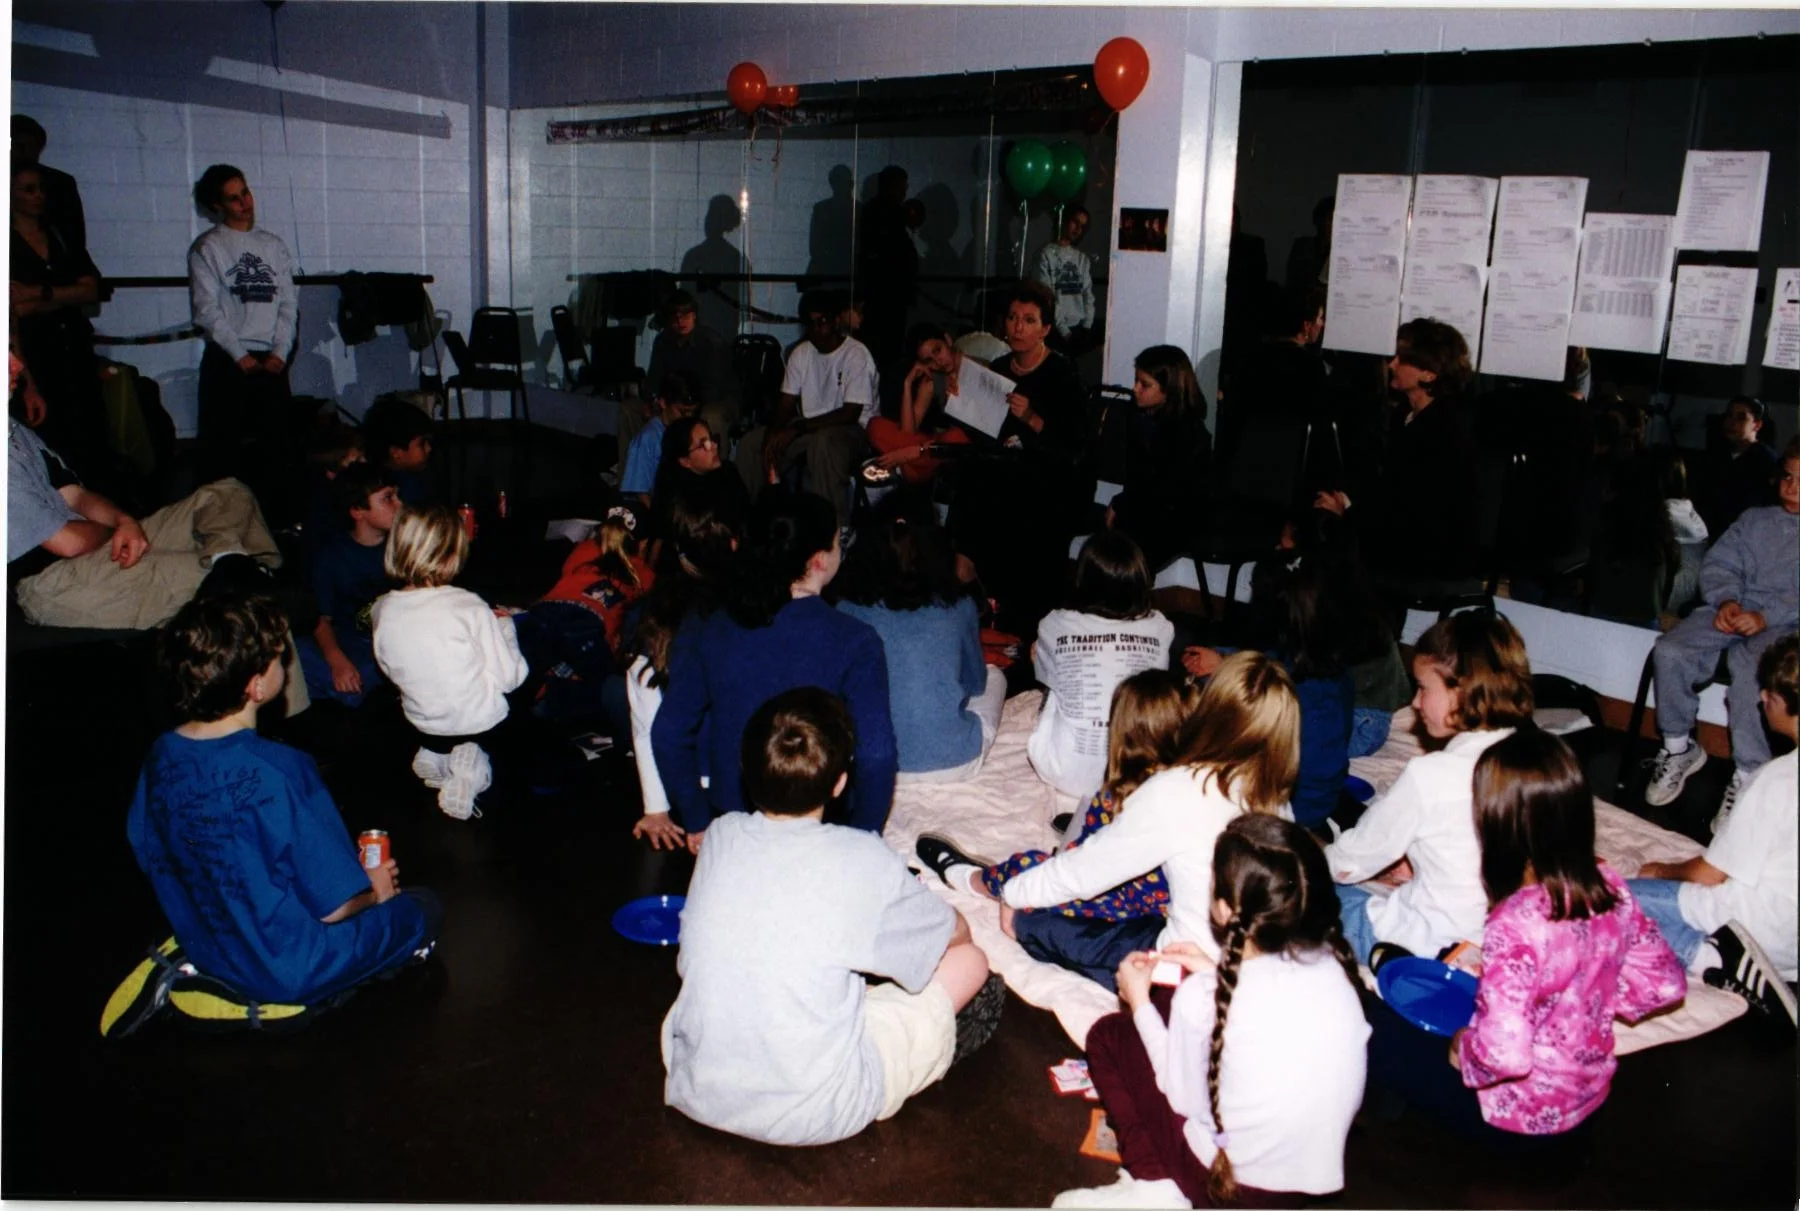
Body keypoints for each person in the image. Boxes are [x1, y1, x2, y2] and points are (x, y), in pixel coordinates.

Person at [661, 687, 994, 1146]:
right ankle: (934, 1042)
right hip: (817, 1109)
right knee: (971, 963)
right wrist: (958, 930)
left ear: (746, 770)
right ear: (839, 783)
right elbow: (949, 936)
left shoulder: (720, 836)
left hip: (699, 1083)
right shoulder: (863, 856)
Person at [1365, 729, 1685, 1149]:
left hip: (1517, 1121)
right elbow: (1665, 984)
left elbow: (1504, 1056)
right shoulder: (1609, 886)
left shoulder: (1515, 922)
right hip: (1587, 1105)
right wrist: (1588, 1000)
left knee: (1372, 1023)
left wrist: (1465, 1045)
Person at [126, 592, 441, 1007]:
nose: (286, 664)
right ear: (256, 686)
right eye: (278, 658)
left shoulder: (160, 754)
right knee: (422, 907)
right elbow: (335, 906)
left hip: (208, 948)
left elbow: (148, 850)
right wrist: (375, 890)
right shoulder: (279, 769)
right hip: (289, 970)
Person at [927, 653, 1299, 991]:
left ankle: (978, 881)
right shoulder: (1276, 798)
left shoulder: (1180, 790)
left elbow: (1081, 875)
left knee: (1033, 919)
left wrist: (1014, 894)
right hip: (1252, 968)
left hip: (1189, 974)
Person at [1053, 814, 1369, 1209]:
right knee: (1171, 1007)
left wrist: (1138, 1002)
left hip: (1225, 1187)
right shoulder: (1338, 971)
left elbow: (1179, 1095)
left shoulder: (1202, 998)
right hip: (1302, 1187)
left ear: (1222, 908)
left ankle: (1156, 1186)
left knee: (1109, 1034)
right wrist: (1210, 970)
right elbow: (1263, 1014)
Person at [652, 492, 898, 848]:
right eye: (837, 542)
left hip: (732, 817)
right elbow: (877, 754)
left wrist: (696, 819)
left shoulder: (713, 625)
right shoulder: (856, 639)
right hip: (820, 819)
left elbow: (669, 730)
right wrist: (864, 837)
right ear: (818, 560)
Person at [1325, 612, 1535, 967]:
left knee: (1304, 890)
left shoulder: (1431, 776)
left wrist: (1313, 856)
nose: (1415, 702)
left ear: (1462, 691)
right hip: (1496, 943)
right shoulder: (1537, 762)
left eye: (1423, 688)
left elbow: (1349, 864)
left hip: (1426, 945)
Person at [921, 669, 1200, 925]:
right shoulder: (1201, 784)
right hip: (1172, 900)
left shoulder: (1119, 795)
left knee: (1032, 866)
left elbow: (1079, 868)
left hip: (1130, 906)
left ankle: (974, 880)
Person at [1631, 633, 1799, 1027]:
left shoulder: (1776, 779)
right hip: (1794, 950)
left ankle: (1712, 958)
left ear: (1785, 702)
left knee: (1605, 901)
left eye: (1768, 693)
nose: (1761, 699)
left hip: (1755, 929)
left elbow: (1711, 875)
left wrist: (1662, 870)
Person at [1642, 437, 1799, 831]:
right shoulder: (1755, 520)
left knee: (1752, 674)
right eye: (1788, 477)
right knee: (1671, 650)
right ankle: (1678, 747)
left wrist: (1764, 616)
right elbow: (1720, 562)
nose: (1792, 488)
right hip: (1732, 608)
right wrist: (1727, 599)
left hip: (1785, 624)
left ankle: (1748, 774)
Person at [835, 490, 1007, 782]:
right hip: (953, 763)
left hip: (871, 762)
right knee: (994, 676)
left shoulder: (846, 609)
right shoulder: (959, 606)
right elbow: (975, 684)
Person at [950, 280, 1092, 629]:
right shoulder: (999, 367)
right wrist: (961, 401)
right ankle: (969, 581)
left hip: (1051, 477)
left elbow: (1075, 448)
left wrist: (1031, 419)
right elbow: (983, 432)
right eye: (1013, 318)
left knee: (1007, 492)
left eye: (1028, 320)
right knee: (972, 477)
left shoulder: (1063, 373)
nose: (1017, 327)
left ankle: (1013, 612)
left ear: (1045, 329)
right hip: (1003, 471)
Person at [372, 504, 528, 820]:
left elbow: (388, 669)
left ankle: (437, 756)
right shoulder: (469, 605)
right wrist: (505, 627)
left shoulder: (382, 609)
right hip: (480, 726)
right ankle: (475, 770)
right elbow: (511, 678)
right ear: (450, 555)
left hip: (423, 724)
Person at [1183, 555, 1354, 835]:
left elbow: (1315, 784)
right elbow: (1269, 660)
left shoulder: (1316, 701)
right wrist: (1223, 659)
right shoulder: (1322, 666)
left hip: (1293, 812)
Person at [1314, 318, 1477, 593]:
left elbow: (1412, 510)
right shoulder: (1405, 416)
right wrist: (1349, 503)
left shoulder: (1444, 430)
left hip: (1431, 552)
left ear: (1429, 374)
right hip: (1405, 537)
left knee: (1334, 555)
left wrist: (1349, 513)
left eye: (1402, 359)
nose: (1392, 365)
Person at [623, 493, 745, 850]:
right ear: (735, 543)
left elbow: (646, 718)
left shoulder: (648, 614)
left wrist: (656, 807)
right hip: (742, 784)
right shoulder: (747, 613)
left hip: (685, 782)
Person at [1028, 531, 1174, 801]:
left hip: (1064, 774)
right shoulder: (1161, 627)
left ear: (1082, 580)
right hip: (1134, 775)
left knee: (1044, 660)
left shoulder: (1053, 624)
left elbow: (1044, 674)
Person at [188, 164, 299, 507]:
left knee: (276, 451)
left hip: (271, 361)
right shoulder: (208, 247)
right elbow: (208, 311)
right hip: (229, 360)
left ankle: (277, 519)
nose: (244, 203)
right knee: (222, 455)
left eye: (245, 193)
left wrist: (280, 352)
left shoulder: (273, 245)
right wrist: (240, 356)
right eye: (233, 199)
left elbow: (288, 304)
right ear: (217, 206)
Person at [733, 291, 878, 527]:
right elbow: (785, 404)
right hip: (809, 427)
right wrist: (772, 435)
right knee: (752, 443)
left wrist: (798, 428)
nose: (817, 330)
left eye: (822, 322)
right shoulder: (801, 353)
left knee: (824, 443)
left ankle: (835, 527)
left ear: (836, 321)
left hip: (852, 430)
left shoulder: (856, 354)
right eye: (810, 324)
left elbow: (850, 413)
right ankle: (747, 523)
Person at [11, 161, 110, 488]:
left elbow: (92, 290)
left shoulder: (60, 237)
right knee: (50, 438)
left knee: (91, 433)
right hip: (36, 355)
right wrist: (66, 295)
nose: (38, 196)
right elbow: (13, 310)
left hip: (74, 349)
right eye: (29, 189)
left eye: (41, 189)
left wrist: (39, 294)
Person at [511, 506, 655, 720]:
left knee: (523, 676)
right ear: (643, 543)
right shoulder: (644, 572)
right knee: (611, 691)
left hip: (545, 612)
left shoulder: (583, 549)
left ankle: (532, 697)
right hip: (588, 627)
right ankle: (552, 698)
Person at [1101, 345, 1212, 573]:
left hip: (1176, 518)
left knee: (1124, 555)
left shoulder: (1189, 434)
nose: (1135, 389)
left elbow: (1164, 491)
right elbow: (1139, 482)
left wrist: (1122, 505)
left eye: (1145, 384)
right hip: (1148, 509)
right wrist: (1121, 503)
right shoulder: (1142, 418)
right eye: (1136, 381)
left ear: (1169, 389)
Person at [296, 463, 397, 708]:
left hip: (393, 639)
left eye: (397, 496)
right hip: (353, 642)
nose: (399, 505)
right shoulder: (332, 556)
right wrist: (336, 659)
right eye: (388, 498)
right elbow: (321, 617)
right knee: (301, 653)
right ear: (358, 511)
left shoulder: (403, 546)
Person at [865, 321, 975, 485]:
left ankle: (905, 468)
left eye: (938, 350)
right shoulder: (931, 381)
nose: (938, 361)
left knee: (956, 437)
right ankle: (912, 467)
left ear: (948, 340)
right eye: (929, 360)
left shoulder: (978, 367)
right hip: (934, 447)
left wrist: (909, 453)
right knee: (876, 426)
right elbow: (908, 432)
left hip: (964, 444)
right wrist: (908, 383)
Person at [647, 415, 750, 552]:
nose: (714, 446)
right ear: (685, 461)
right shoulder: (672, 496)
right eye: (703, 445)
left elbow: (745, 521)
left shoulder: (729, 473)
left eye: (711, 439)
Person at [644, 289, 738, 438]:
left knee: (710, 415)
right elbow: (654, 378)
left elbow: (713, 389)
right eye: (675, 317)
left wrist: (683, 406)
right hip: (675, 400)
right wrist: (654, 400)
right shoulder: (663, 340)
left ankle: (712, 453)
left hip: (716, 400)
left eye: (685, 316)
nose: (680, 322)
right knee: (631, 409)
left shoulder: (711, 343)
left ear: (694, 315)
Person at [855, 165, 918, 370]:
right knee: (881, 351)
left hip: (892, 294)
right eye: (901, 187)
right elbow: (884, 250)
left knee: (890, 350)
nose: (904, 192)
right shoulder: (879, 212)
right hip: (882, 295)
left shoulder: (893, 212)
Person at [1693, 396, 1778, 540]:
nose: (1732, 422)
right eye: (1729, 415)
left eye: (1741, 418)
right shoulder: (1717, 456)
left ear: (1757, 425)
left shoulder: (1766, 461)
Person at [621, 372, 699, 506]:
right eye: (683, 412)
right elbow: (641, 494)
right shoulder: (648, 438)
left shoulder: (691, 431)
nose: (689, 418)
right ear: (663, 403)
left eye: (693, 412)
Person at [10, 115, 85, 251]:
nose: (25, 153)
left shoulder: (61, 184)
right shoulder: (59, 182)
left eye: (31, 147)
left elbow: (75, 239)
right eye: (19, 146)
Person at [1031, 205, 1096, 348]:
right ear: (1065, 220)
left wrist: (1087, 326)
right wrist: (1064, 331)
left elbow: (1088, 295)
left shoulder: (1082, 258)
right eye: (1075, 222)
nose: (1078, 229)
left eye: (1082, 226)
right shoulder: (1046, 254)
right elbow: (1048, 297)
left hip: (1079, 329)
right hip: (1055, 331)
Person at [360, 394, 437, 506]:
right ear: (396, 453)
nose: (429, 448)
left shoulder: (417, 476)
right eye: (421, 444)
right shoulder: (406, 488)